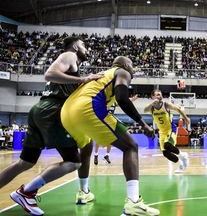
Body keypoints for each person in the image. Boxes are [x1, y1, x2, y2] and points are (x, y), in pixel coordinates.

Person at [4, 37, 103, 216]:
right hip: (52, 112)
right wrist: (84, 79)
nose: (87, 49)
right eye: (84, 46)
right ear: (75, 47)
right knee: (74, 162)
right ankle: (26, 192)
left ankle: (27, 193)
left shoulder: (71, 65)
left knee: (24, 162)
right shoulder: (69, 55)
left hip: (39, 110)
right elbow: (49, 74)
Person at [60, 56, 159, 215]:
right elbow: (122, 98)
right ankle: (133, 202)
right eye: (132, 66)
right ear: (125, 64)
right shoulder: (122, 72)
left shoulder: (102, 75)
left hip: (66, 113)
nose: (132, 70)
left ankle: (83, 192)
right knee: (130, 146)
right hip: (88, 108)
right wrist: (143, 124)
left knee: (86, 149)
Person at [144, 89, 190, 173]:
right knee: (166, 153)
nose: (159, 96)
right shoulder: (151, 108)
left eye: (160, 94)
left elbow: (178, 109)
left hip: (170, 129)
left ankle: (183, 155)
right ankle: (181, 164)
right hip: (161, 132)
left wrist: (186, 118)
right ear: (153, 97)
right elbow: (144, 110)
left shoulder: (166, 104)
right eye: (157, 95)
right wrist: (152, 103)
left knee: (167, 145)